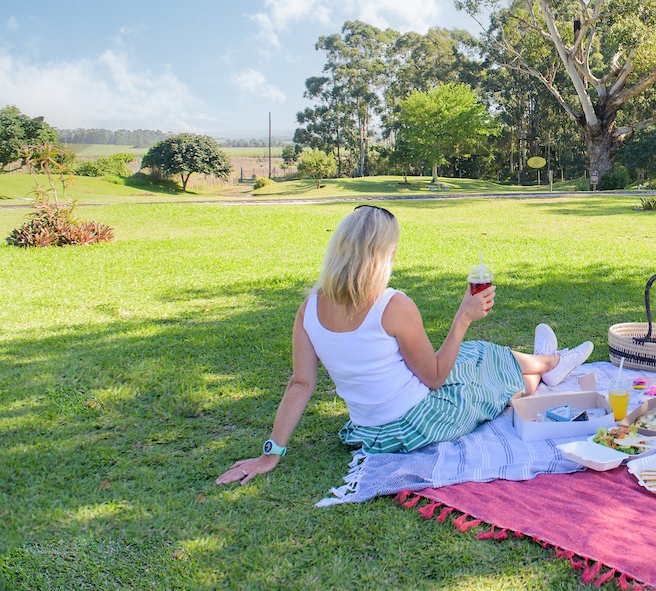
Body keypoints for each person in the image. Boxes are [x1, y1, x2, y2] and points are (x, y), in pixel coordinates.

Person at [216, 205, 592, 485]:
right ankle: (550, 366)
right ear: (385, 253)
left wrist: (270, 454)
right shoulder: (392, 305)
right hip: (418, 421)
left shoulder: (309, 308)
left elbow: (301, 384)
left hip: (371, 431)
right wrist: (462, 317)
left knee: (477, 354)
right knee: (495, 378)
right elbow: (434, 378)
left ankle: (547, 361)